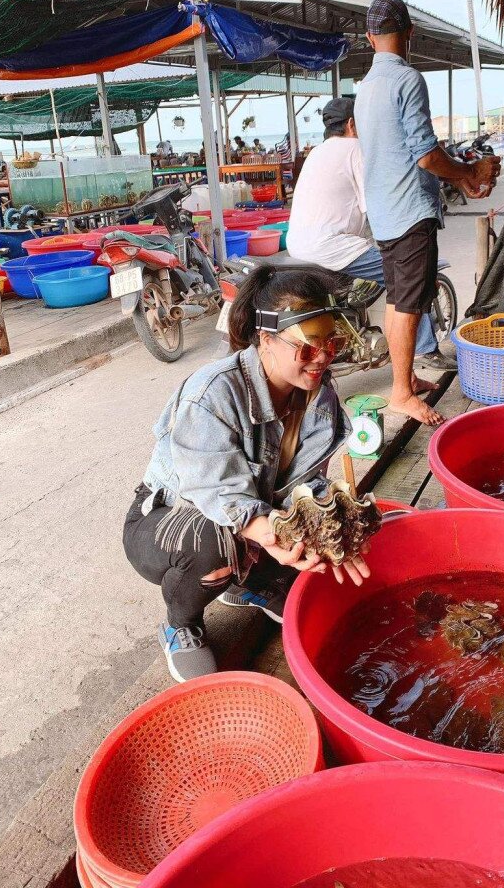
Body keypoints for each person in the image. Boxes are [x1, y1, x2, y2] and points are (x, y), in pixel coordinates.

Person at [123, 267, 369, 682]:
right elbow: (216, 493)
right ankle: (181, 622)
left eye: (333, 342)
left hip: (259, 516)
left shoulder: (319, 391)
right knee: (218, 545)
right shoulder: (212, 394)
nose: (323, 357)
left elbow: (305, 489)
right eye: (307, 348)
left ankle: (244, 585)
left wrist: (332, 529)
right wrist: (272, 533)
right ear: (265, 338)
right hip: (169, 519)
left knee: (319, 565)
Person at [355, 0, 501, 425]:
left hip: (383, 213)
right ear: (410, 33)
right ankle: (401, 391)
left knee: (399, 299)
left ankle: (406, 380)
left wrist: (463, 177)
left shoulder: (364, 89)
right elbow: (425, 156)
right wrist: (469, 170)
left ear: (369, 38)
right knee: (410, 305)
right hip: (408, 211)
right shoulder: (407, 79)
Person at [286, 96, 453, 372]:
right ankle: (425, 349)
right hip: (333, 246)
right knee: (408, 274)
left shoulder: (316, 152)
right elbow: (376, 206)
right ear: (353, 124)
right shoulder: (356, 149)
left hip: (299, 245)